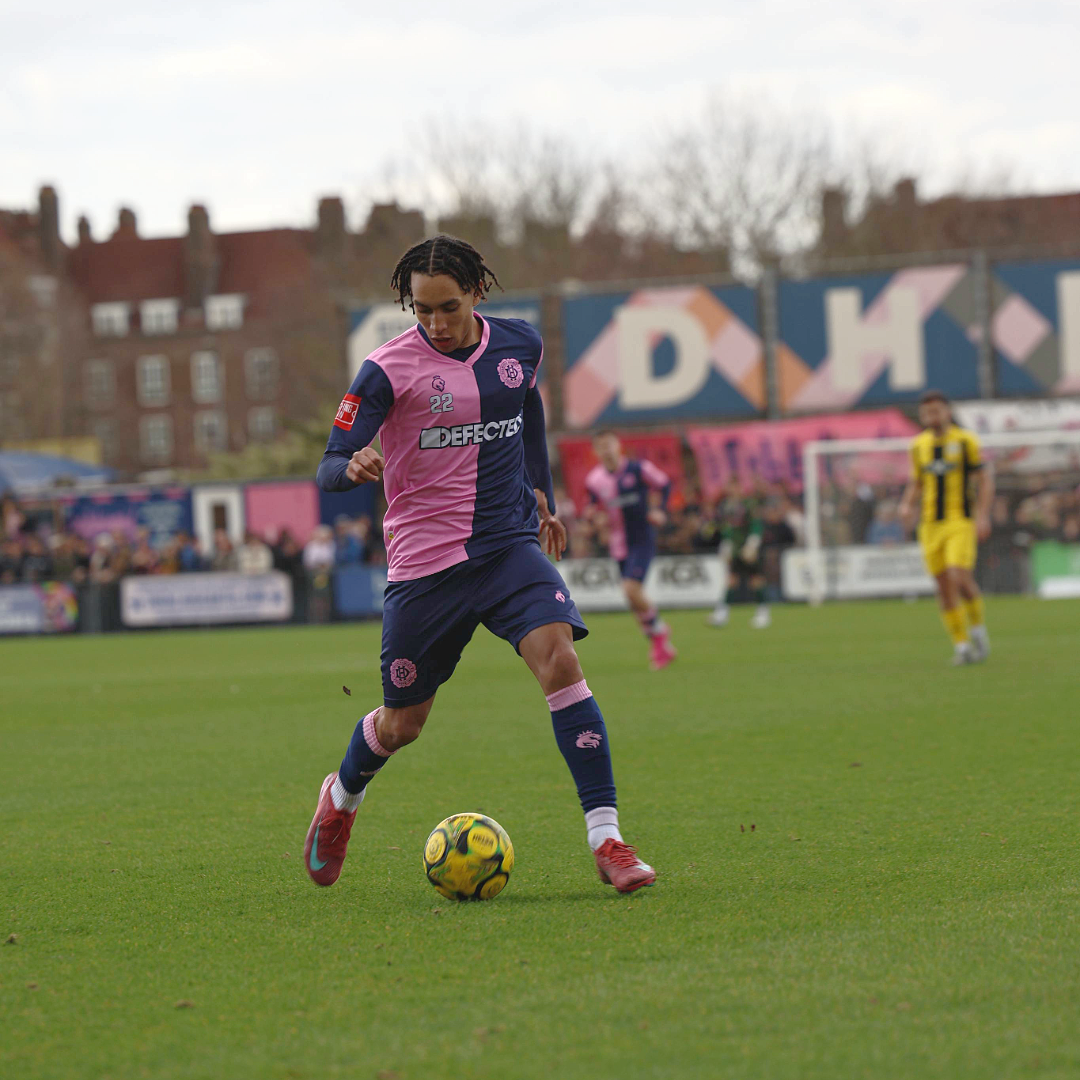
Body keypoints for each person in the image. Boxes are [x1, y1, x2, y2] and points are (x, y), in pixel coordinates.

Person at [307, 234, 654, 894]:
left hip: (506, 545)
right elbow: (329, 460)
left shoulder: (520, 345)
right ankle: (342, 797)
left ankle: (607, 839)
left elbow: (528, 407)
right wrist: (350, 467)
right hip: (424, 565)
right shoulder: (385, 370)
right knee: (402, 724)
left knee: (561, 662)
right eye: (422, 310)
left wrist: (541, 490)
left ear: (476, 294)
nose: (436, 323)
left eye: (448, 307)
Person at [899, 389, 993, 665]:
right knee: (943, 586)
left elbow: (984, 479)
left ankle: (978, 629)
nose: (931, 415)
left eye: (936, 410)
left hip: (959, 520)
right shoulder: (918, 446)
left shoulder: (965, 441)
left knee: (958, 577)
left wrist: (983, 515)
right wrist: (906, 505)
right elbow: (917, 482)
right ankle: (961, 645)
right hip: (930, 525)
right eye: (926, 412)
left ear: (947, 412)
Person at [584, 432, 677, 670]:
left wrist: (660, 510)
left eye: (609, 445)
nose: (606, 450)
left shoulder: (639, 469)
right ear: (596, 452)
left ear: (618, 446)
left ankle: (660, 634)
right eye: (601, 447)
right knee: (633, 600)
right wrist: (595, 519)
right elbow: (593, 507)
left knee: (631, 588)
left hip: (641, 539)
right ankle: (660, 647)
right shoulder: (595, 479)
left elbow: (665, 484)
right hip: (618, 543)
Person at [708, 487, 771, 629]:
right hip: (736, 549)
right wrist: (726, 544)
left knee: (756, 580)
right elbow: (726, 528)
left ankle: (763, 613)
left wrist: (752, 544)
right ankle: (722, 614)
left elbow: (756, 525)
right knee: (731, 580)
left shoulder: (749, 505)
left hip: (748, 548)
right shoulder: (726, 506)